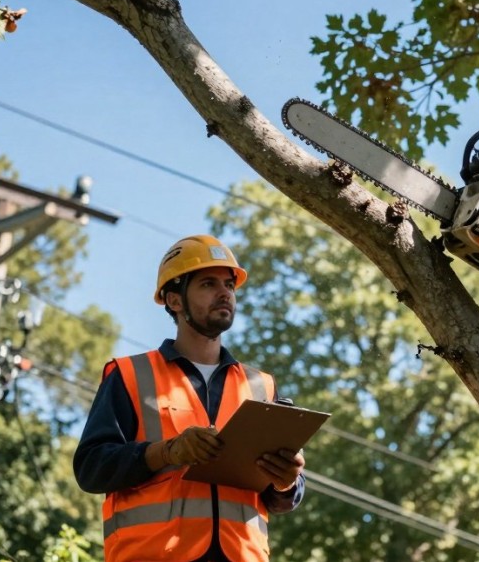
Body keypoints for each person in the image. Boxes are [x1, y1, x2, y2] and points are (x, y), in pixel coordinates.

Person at [74, 234, 306, 562]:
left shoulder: (261, 387)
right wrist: (166, 452)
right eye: (208, 284)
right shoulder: (128, 376)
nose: (224, 292)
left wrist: (287, 482)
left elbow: (284, 498)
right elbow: (91, 469)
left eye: (228, 284)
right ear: (174, 300)